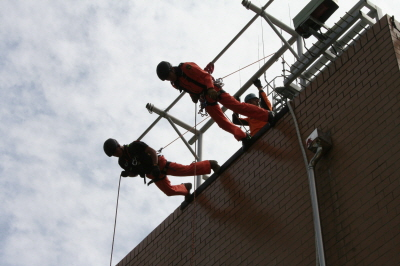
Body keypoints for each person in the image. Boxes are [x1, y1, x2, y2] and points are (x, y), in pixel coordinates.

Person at [156, 61, 275, 147]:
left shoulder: (186, 67)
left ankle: (267, 115)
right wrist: (194, 97)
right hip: (205, 98)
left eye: (168, 76)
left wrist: (211, 88)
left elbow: (205, 76)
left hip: (212, 90)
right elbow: (190, 89)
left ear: (172, 69)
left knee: (237, 106)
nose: (169, 79)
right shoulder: (175, 83)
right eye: (166, 78)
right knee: (221, 122)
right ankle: (243, 136)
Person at [103, 138, 220, 198]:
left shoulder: (134, 146)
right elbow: (135, 173)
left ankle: (211, 164)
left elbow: (152, 151)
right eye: (112, 154)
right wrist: (128, 174)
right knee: (168, 191)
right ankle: (185, 188)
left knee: (187, 170)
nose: (115, 154)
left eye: (115, 151)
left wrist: (155, 166)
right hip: (153, 174)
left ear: (118, 146)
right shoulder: (122, 162)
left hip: (160, 165)